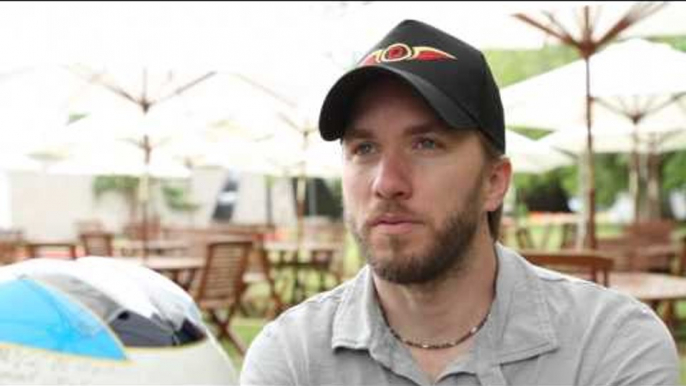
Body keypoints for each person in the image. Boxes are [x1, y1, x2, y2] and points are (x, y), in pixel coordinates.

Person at [240, 19, 679, 385]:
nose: (386, 183)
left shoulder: (609, 346)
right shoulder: (293, 359)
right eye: (364, 149)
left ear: (494, 182)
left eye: (426, 144)